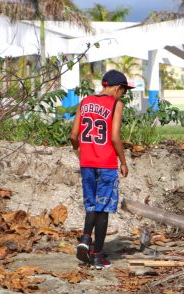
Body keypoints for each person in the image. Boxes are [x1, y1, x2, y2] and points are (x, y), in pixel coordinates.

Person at [69, 70, 133, 269]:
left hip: (87, 163)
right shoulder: (115, 104)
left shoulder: (85, 102)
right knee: (103, 208)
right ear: (117, 88)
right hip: (106, 164)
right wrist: (123, 162)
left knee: (91, 205)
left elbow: (73, 135)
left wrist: (80, 151)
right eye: (123, 91)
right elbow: (114, 137)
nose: (122, 95)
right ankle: (97, 256)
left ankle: (85, 239)